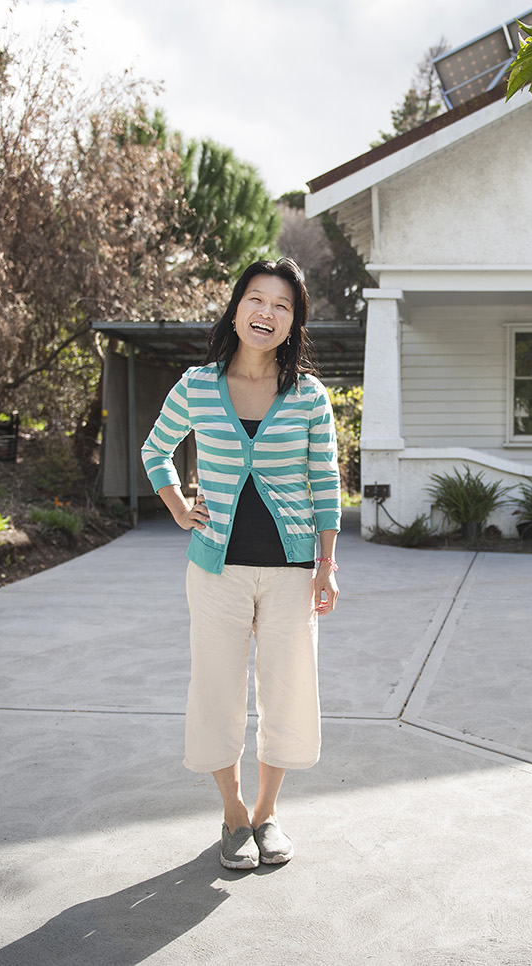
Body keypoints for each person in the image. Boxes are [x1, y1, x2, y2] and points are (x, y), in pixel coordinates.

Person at [140, 257, 340, 870]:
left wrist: (326, 564)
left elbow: (326, 481)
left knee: (285, 691)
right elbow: (157, 449)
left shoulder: (308, 395)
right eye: (257, 299)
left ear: (293, 322)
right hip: (216, 570)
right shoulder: (198, 385)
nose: (266, 313)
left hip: (289, 571)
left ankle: (267, 813)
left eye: (282, 306)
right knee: (217, 691)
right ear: (237, 307)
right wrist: (178, 509)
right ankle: (232, 816)